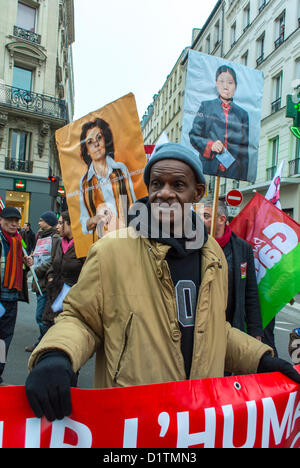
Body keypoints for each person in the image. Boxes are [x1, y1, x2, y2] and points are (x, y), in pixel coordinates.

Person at [25, 143, 300, 422]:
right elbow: (80, 319)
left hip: (198, 419)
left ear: (198, 193)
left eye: (178, 184)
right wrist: (56, 354)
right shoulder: (111, 251)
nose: (165, 193)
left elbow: (214, 331)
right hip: (133, 421)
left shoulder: (213, 254)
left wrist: (260, 359)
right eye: (157, 183)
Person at [202, 200, 263, 341]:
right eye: (200, 216)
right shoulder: (195, 246)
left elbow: (250, 292)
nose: (201, 221)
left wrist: (255, 332)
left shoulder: (243, 249)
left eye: (206, 216)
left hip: (232, 328)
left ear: (222, 219)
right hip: (203, 327)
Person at [189, 65, 249, 181]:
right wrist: (210, 145)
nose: (225, 87)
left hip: (234, 171)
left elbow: (245, 150)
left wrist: (243, 174)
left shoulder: (243, 114)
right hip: (209, 167)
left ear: (235, 86)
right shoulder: (206, 106)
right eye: (221, 82)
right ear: (216, 83)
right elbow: (193, 136)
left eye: (230, 82)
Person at [79, 118, 136, 238]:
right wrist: (95, 219)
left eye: (99, 137)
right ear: (87, 151)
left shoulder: (121, 169)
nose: (96, 144)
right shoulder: (84, 183)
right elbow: (84, 224)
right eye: (90, 142)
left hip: (127, 237)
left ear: (105, 140)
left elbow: (134, 203)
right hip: (103, 242)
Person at [0, 207, 31, 385]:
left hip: (11, 299)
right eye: (10, 220)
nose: (14, 224)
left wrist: (27, 263)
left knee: (4, 340)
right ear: (1, 221)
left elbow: (20, 270)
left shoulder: (19, 241)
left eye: (16, 221)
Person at [25, 211, 61, 352]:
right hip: (39, 280)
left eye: (42, 220)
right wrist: (31, 260)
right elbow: (37, 254)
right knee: (43, 315)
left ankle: (45, 343)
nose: (39, 223)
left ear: (49, 222)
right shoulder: (40, 236)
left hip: (47, 281)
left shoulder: (55, 238)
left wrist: (39, 269)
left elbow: (54, 261)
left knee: (42, 315)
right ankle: (44, 341)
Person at [42, 211, 85, 328]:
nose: (57, 226)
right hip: (55, 293)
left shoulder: (82, 246)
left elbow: (87, 274)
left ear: (71, 225)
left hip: (71, 299)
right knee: (47, 325)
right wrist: (50, 277)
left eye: (61, 223)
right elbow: (53, 264)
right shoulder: (60, 243)